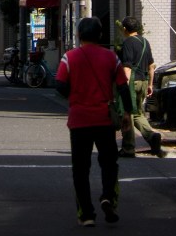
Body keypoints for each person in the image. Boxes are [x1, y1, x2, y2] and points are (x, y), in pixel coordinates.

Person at [55, 16, 132, 227]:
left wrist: (75, 96)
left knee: (80, 168)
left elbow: (60, 85)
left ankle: (86, 214)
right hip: (104, 119)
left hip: (79, 120)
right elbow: (123, 87)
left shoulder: (69, 57)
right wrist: (127, 112)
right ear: (100, 35)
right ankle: (108, 197)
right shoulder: (111, 58)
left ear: (79, 35)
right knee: (109, 163)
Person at [118, 16, 164, 158]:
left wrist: (124, 86)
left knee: (127, 114)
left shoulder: (128, 43)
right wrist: (150, 84)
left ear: (125, 29)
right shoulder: (145, 42)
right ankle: (152, 136)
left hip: (132, 82)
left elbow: (127, 66)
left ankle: (128, 148)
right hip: (143, 82)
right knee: (137, 113)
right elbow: (151, 66)